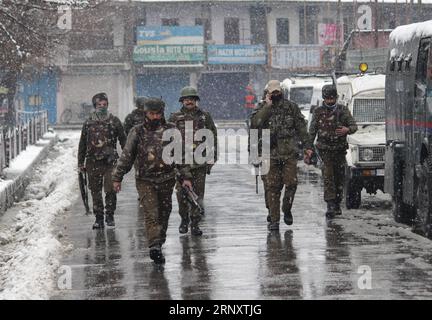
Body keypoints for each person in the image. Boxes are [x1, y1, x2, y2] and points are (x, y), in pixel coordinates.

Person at [112, 97, 193, 264]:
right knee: (151, 212)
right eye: (151, 113)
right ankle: (154, 245)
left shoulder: (171, 130)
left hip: (166, 178)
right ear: (145, 113)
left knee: (164, 212)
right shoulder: (137, 131)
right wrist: (117, 177)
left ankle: (159, 242)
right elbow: (127, 156)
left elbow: (180, 156)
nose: (155, 117)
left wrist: (185, 177)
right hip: (145, 179)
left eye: (158, 114)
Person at [250, 80, 313, 231]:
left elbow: (301, 127)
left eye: (277, 91)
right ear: (267, 93)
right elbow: (255, 124)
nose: (275, 94)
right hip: (269, 154)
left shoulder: (291, 107)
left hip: (288, 153)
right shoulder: (261, 107)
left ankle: (287, 208)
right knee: (272, 187)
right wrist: (267, 106)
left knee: (291, 183)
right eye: (272, 92)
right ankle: (274, 220)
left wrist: (307, 146)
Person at [169, 86, 218, 236]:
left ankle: (195, 223)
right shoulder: (174, 117)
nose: (189, 101)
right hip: (180, 163)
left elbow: (212, 137)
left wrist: (212, 158)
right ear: (182, 101)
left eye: (192, 98)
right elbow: (168, 140)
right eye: (186, 99)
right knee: (182, 194)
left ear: (196, 100)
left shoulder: (204, 116)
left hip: (199, 163)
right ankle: (184, 220)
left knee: (198, 195)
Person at [305, 84, 358, 218]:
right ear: (324, 98)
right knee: (328, 177)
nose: (330, 101)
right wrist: (308, 148)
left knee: (339, 178)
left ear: (336, 97)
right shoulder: (318, 111)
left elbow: (353, 126)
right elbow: (312, 132)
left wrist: (347, 129)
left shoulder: (342, 110)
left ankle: (337, 203)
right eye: (327, 99)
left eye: (332, 98)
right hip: (325, 151)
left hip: (339, 151)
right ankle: (330, 204)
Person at [78, 92, 126, 229]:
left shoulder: (114, 121)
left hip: (110, 162)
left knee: (110, 189)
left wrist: (126, 158)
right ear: (94, 106)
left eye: (105, 104)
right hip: (93, 162)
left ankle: (109, 215)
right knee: (95, 191)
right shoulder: (88, 122)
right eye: (99, 104)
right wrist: (80, 163)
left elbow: (124, 141)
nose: (102, 107)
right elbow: (82, 144)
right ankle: (98, 218)